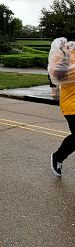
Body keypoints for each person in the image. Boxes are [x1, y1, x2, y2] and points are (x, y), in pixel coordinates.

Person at [51, 31, 75, 177]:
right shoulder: (65, 58)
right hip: (71, 104)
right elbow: (57, 76)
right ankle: (58, 156)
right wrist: (66, 55)